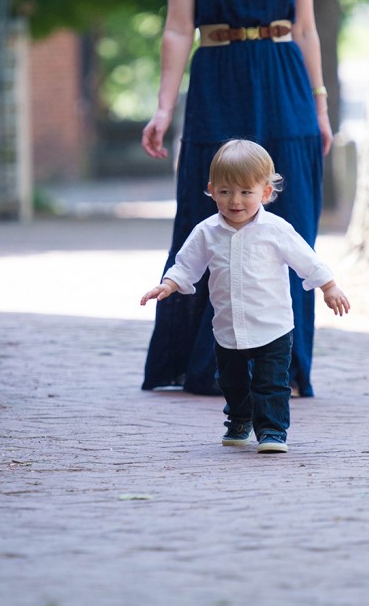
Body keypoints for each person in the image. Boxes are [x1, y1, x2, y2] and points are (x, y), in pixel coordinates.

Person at [141, 0, 333, 397]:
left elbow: (306, 28)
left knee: (290, 222)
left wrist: (320, 106)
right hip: (218, 82)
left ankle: (285, 368)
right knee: (210, 221)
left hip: (286, 87)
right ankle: (206, 366)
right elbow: (178, 29)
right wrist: (163, 107)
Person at [141, 140, 350, 452]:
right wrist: (169, 284)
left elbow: (307, 260)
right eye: (225, 192)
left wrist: (329, 287)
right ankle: (240, 419)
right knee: (232, 382)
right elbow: (187, 265)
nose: (234, 201)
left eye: (245, 192)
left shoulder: (276, 230)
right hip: (228, 328)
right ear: (212, 190)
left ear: (265, 193)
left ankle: (272, 432)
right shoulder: (206, 232)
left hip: (273, 325)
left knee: (272, 383)